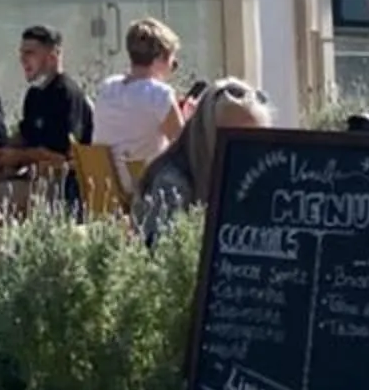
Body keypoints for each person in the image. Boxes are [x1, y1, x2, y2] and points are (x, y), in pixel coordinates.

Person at [134, 78, 272, 241]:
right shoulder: (172, 186)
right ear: (207, 136)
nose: (249, 153)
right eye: (237, 141)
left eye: (257, 142)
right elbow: (158, 254)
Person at [0, 24, 90, 183]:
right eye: (21, 53)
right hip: (35, 180)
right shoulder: (34, 95)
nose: (23, 59)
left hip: (64, 186)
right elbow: (26, 136)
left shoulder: (66, 94)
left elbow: (63, 156)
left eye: (30, 53)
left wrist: (19, 157)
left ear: (52, 56)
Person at [94, 19, 186, 188]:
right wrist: (188, 118)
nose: (172, 69)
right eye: (173, 62)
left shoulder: (107, 88)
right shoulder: (159, 95)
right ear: (159, 57)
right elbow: (183, 146)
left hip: (105, 188)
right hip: (144, 188)